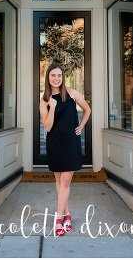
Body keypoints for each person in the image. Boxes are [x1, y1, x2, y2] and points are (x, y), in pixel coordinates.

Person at [39, 63, 91, 237]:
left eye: (59, 75)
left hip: (70, 142)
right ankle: (67, 214)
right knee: (59, 179)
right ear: (48, 77)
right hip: (54, 143)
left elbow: (87, 109)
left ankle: (58, 219)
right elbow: (47, 127)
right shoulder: (44, 101)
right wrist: (52, 107)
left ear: (63, 77)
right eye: (53, 75)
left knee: (66, 181)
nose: (56, 78)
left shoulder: (72, 93)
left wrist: (81, 126)